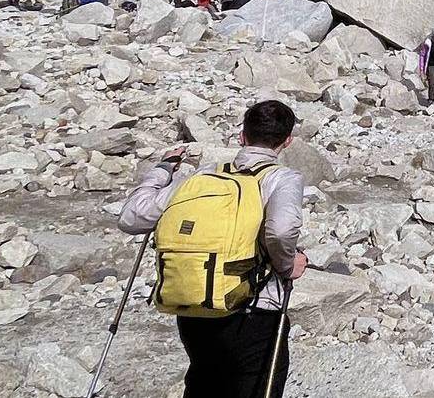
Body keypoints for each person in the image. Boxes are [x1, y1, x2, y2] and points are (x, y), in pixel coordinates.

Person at [119, 101, 306, 398]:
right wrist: (287, 265)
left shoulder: (202, 177)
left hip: (194, 305)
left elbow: (131, 217)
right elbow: (281, 230)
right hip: (252, 311)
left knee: (204, 382)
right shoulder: (281, 178)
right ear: (287, 141)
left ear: (242, 136)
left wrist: (162, 170)